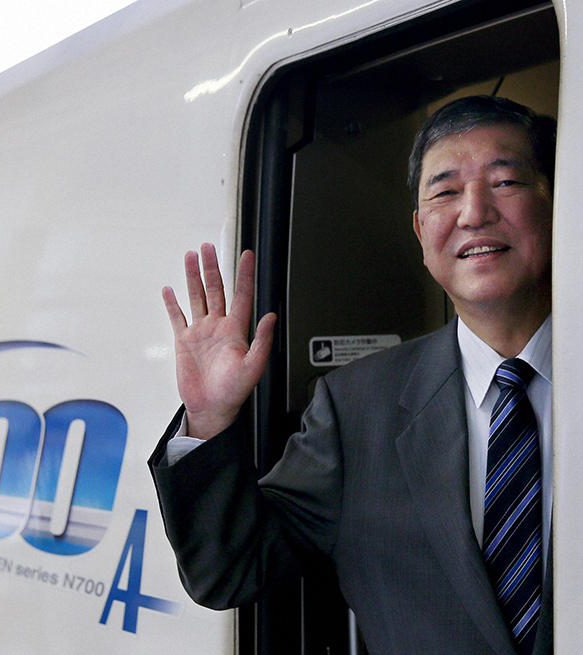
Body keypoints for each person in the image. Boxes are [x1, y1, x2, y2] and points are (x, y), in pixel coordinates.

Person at [149, 95, 556, 655]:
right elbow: (229, 571)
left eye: (505, 181)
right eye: (444, 192)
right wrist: (210, 418)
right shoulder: (356, 407)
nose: (473, 213)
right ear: (419, 232)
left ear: (556, 200)